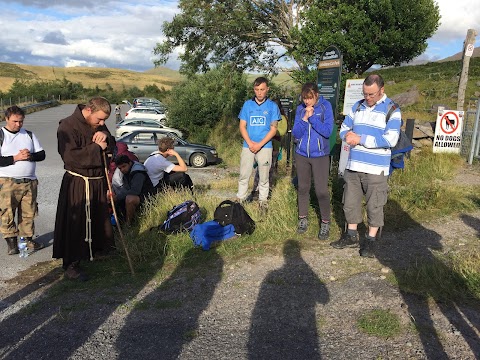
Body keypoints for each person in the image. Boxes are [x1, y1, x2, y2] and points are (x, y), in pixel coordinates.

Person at [330, 74, 401, 257]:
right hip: (354, 165)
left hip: (376, 168)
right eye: (365, 94)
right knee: (350, 203)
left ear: (382, 90)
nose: (367, 98)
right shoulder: (357, 105)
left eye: (371, 94)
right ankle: (351, 235)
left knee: (374, 206)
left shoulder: (392, 109)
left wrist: (360, 139)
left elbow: (390, 139)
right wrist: (348, 136)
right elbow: (344, 129)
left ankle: (371, 240)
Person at [53, 97, 115, 281]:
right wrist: (97, 148)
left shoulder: (98, 125)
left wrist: (106, 137)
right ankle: (71, 264)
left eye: (105, 121)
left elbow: (111, 144)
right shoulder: (67, 126)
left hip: (97, 180)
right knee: (76, 222)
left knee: (97, 218)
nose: (102, 123)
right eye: (100, 120)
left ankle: (94, 251)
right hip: (79, 182)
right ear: (88, 110)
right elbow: (70, 157)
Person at [0, 106, 45, 255]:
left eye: (21, 121)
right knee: (8, 212)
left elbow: (42, 154)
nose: (18, 124)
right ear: (6, 119)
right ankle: (11, 243)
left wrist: (30, 155)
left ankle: (27, 239)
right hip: (7, 181)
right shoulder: (1, 135)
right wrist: (15, 158)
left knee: (29, 212)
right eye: (15, 121)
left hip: (29, 181)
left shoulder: (29, 135)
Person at [292, 82, 334, 240]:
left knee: (321, 191)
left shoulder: (325, 107)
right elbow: (296, 133)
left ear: (316, 95)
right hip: (302, 154)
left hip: (320, 155)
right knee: (303, 188)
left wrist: (313, 119)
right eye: (304, 98)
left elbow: (328, 131)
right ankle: (302, 219)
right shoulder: (299, 109)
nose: (307, 102)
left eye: (310, 98)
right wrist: (304, 118)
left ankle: (325, 221)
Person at [237, 77, 281, 213]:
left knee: (264, 176)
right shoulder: (247, 105)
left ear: (267, 89)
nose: (259, 92)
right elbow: (242, 126)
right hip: (248, 145)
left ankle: (263, 201)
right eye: (257, 89)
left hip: (265, 146)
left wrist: (260, 144)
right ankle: (241, 200)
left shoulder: (272, 106)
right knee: (244, 175)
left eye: (262, 89)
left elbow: (274, 129)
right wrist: (250, 143)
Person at [247, 98, 288, 201]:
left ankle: (266, 191)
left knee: (269, 170)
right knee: (258, 170)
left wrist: (271, 130)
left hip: (273, 147)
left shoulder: (282, 118)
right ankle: (255, 190)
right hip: (262, 146)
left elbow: (282, 131)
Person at [111, 155, 155, 225]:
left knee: (130, 199)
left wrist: (118, 197)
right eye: (120, 168)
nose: (122, 170)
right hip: (137, 196)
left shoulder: (138, 173)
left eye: (124, 166)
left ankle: (129, 223)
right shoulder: (126, 172)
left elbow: (135, 191)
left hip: (148, 197)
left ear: (129, 163)